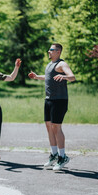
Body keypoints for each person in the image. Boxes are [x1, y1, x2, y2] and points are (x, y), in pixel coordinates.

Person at [28, 43, 75, 171]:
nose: (49, 51)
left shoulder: (62, 64)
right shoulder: (50, 65)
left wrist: (64, 76)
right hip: (48, 100)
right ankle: (54, 154)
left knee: (56, 128)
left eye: (51, 50)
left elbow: (72, 77)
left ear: (58, 52)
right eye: (49, 49)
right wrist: (37, 77)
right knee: (49, 127)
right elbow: (49, 77)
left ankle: (62, 156)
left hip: (59, 100)